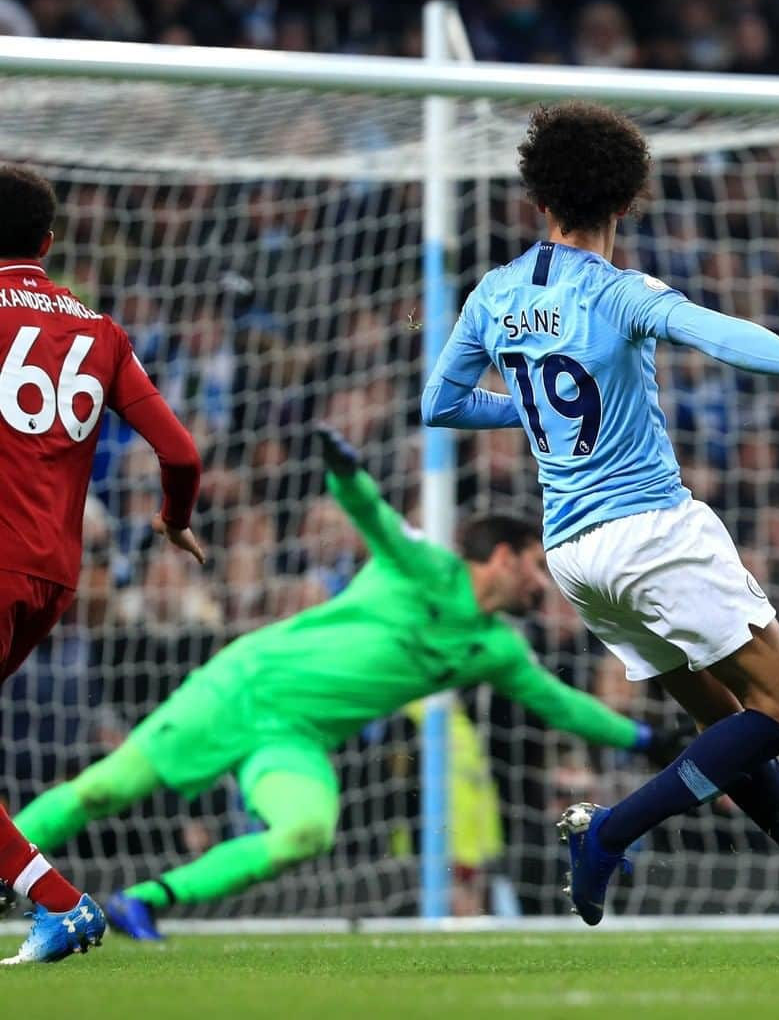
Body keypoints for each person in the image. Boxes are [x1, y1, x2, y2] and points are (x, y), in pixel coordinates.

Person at [422, 102, 779, 942]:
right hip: (652, 532)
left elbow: (440, 404)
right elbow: (721, 334)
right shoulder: (622, 292)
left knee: (726, 727)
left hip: (573, 555)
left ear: (537, 196)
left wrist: (527, 409)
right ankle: (612, 829)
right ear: (627, 200)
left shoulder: (494, 293)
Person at [14, 427, 681, 940]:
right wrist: (345, 469)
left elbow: (561, 705)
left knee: (308, 829)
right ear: (502, 558)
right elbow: (373, 516)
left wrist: (647, 736)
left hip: (295, 737)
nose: (544, 584)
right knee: (104, 788)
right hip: (240, 689)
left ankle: (145, 901)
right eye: (537, 568)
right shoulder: (424, 568)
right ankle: (7, 870)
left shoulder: (495, 650)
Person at [0, 165, 203, 964]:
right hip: (53, 577)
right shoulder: (101, 333)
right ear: (48, 245)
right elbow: (181, 453)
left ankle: (61, 903)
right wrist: (172, 521)